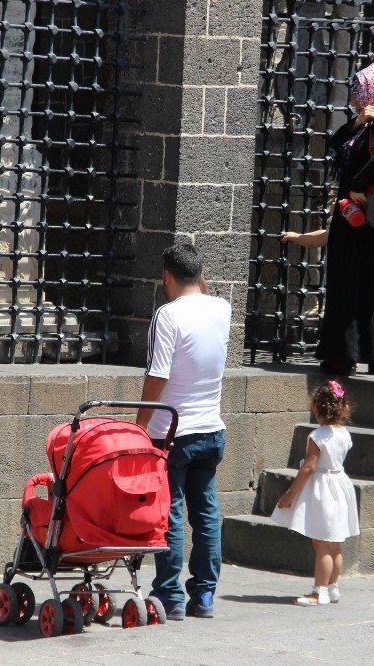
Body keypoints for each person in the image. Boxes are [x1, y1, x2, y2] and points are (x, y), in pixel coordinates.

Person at [136, 242, 232, 620]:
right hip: (211, 430)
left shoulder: (167, 315)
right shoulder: (222, 309)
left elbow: (157, 376)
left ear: (167, 276)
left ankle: (169, 593)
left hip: (171, 432)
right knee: (206, 513)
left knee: (170, 514)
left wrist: (139, 426)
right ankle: (204, 595)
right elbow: (204, 293)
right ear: (200, 274)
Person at [317, 60, 374, 377]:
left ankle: (344, 356)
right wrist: (357, 122)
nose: (354, 97)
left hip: (363, 223)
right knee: (372, 286)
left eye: (359, 92)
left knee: (352, 283)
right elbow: (335, 141)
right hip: (367, 222)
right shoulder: (369, 122)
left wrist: (357, 185)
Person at [271, 379, 360, 606]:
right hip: (340, 485)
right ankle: (332, 587)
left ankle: (319, 592)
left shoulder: (318, 436)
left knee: (322, 544)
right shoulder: (344, 434)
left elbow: (309, 467)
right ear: (344, 408)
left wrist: (290, 494)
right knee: (335, 543)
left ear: (315, 407)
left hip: (323, 489)